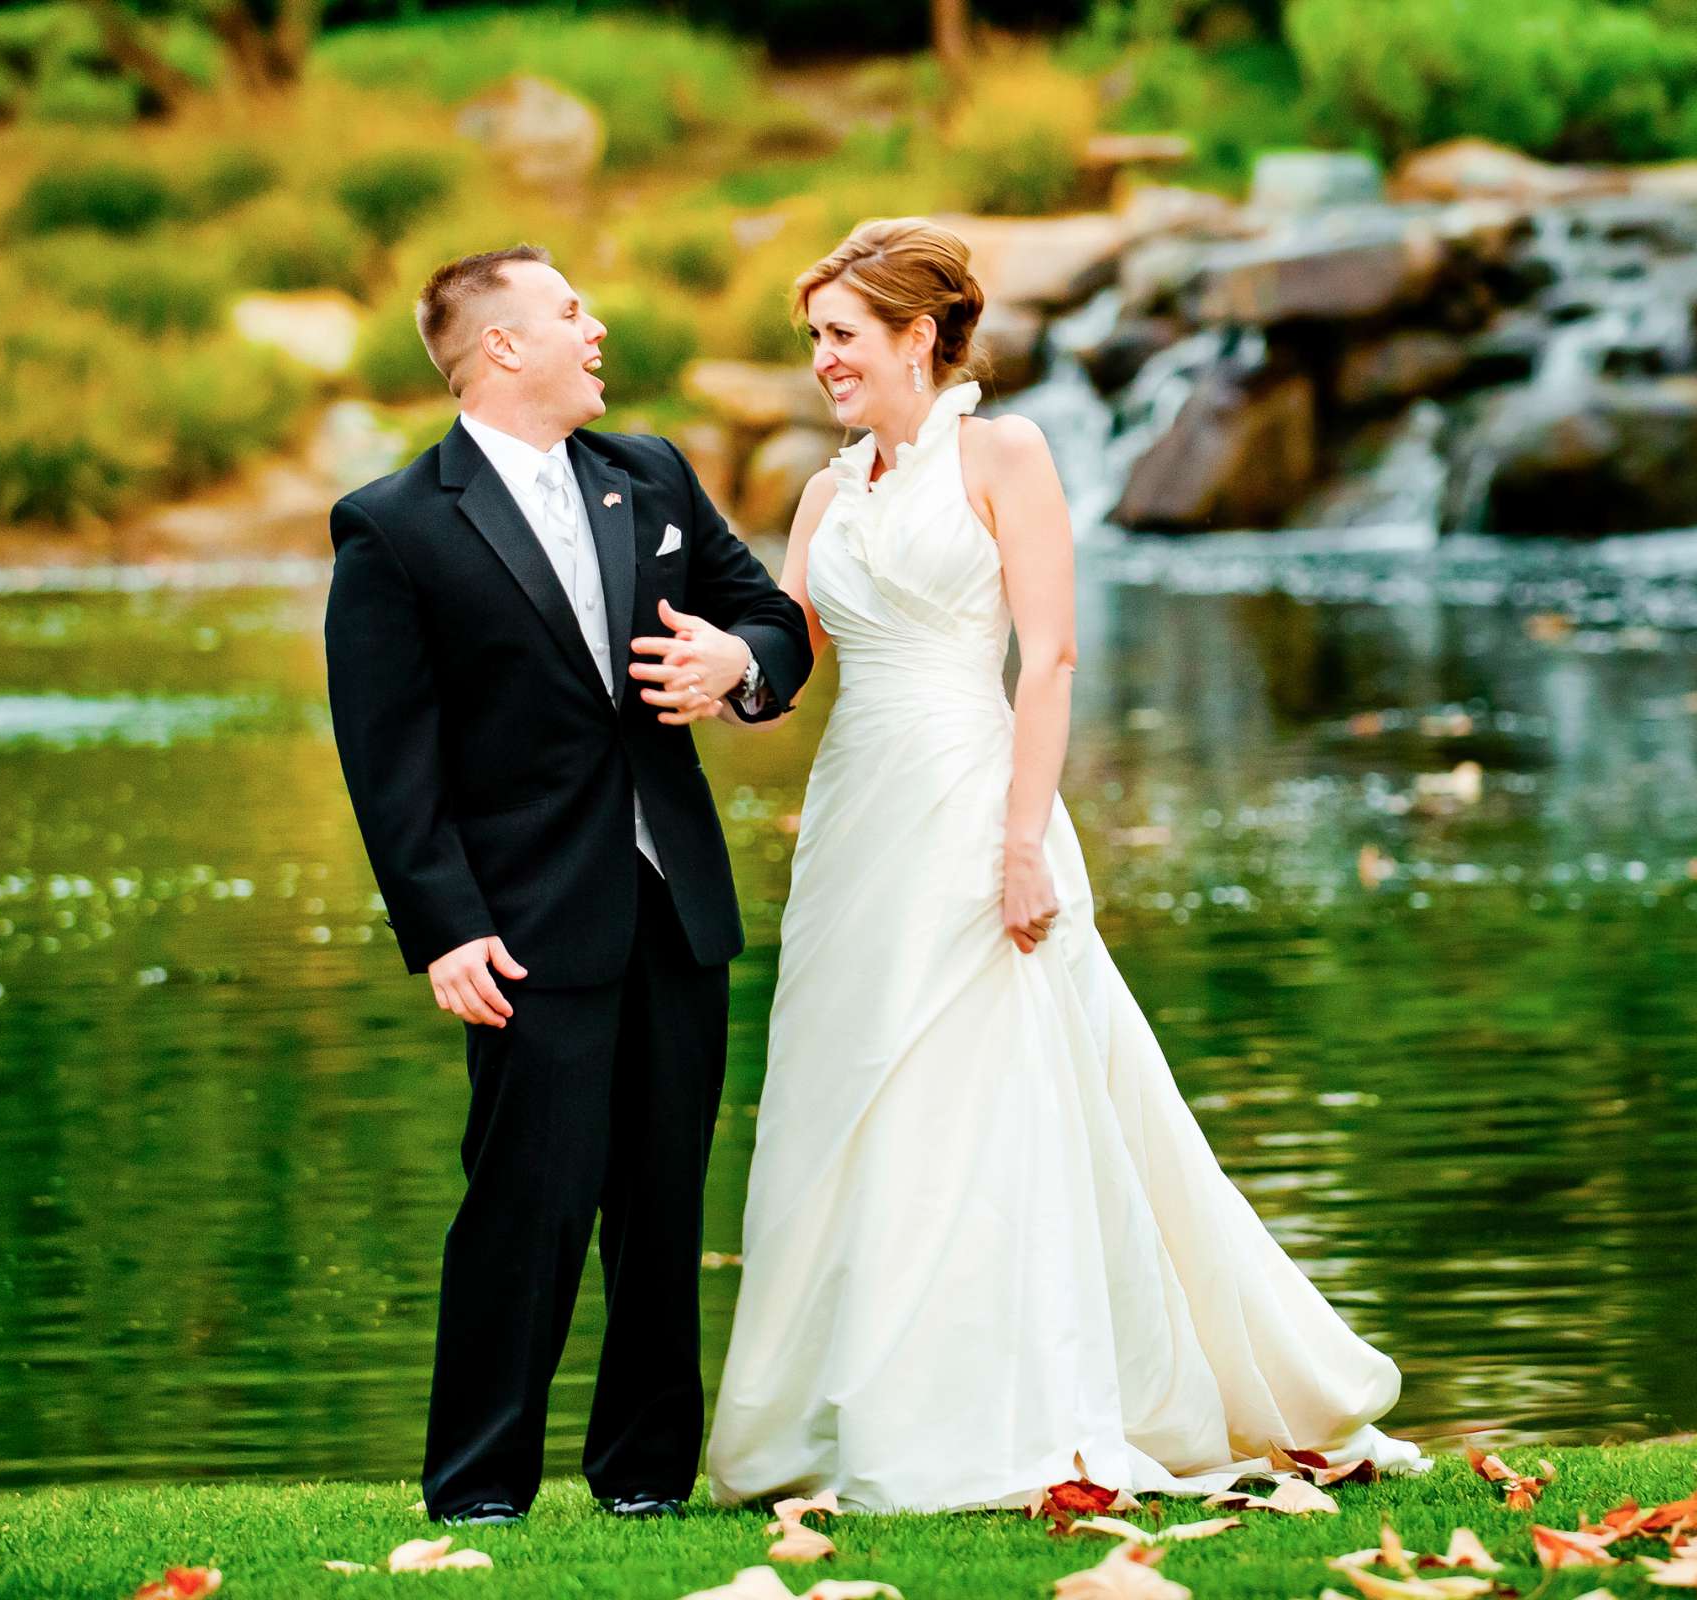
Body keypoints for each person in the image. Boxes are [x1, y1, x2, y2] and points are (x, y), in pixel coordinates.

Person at [704, 218, 1428, 1512]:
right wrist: (725, 674)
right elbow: (790, 660)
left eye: (841, 337)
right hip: (857, 823)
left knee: (986, 1105)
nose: (821, 362)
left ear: (919, 336)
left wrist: (1024, 841)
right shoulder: (827, 492)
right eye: (814, 339)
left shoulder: (1007, 453)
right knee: (846, 1099)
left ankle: (1004, 1412)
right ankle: (835, 1416)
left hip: (979, 802)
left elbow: (1049, 662)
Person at [323, 245, 811, 1526]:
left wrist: (734, 666)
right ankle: (480, 1486)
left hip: (675, 905)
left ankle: (647, 1478)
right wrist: (445, 930)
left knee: (662, 1212)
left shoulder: (648, 474)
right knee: (524, 1208)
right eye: (570, 310)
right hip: (524, 927)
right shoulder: (395, 523)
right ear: (501, 348)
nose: (596, 326)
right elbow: (388, 757)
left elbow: (775, 622)